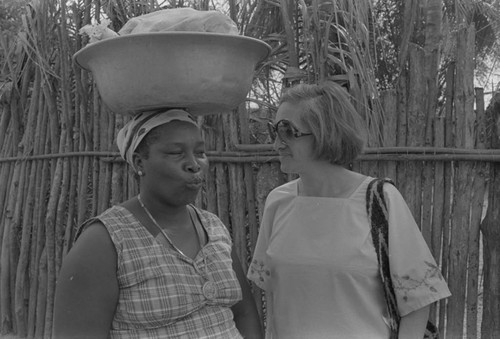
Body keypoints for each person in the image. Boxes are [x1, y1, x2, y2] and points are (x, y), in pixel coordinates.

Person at [247, 82, 451, 339]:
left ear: (326, 132)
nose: (276, 143)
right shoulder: (278, 201)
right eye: (273, 131)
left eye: (287, 131)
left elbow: (419, 299)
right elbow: (272, 293)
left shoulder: (380, 200)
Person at [53, 109, 263, 339]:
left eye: (200, 152)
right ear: (139, 162)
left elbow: (244, 315)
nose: (194, 164)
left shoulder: (213, 227)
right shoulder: (105, 241)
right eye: (176, 153)